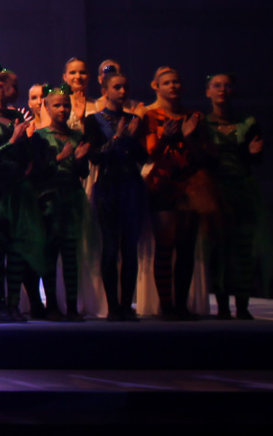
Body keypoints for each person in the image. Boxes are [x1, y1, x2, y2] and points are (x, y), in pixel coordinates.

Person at [142, 67, 214, 320]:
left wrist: (190, 138)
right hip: (163, 185)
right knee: (165, 247)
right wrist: (169, 137)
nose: (172, 86)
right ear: (156, 86)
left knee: (186, 249)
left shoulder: (194, 116)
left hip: (190, 185)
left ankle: (181, 305)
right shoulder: (151, 115)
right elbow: (150, 152)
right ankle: (167, 306)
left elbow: (205, 155)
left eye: (176, 82)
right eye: (167, 83)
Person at [0, 65, 43, 321]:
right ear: (0, 87)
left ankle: (14, 303)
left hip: (18, 190)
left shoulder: (17, 116)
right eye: (14, 85)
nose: (17, 90)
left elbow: (26, 157)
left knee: (17, 249)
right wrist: (13, 140)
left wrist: (26, 138)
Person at [85, 71, 148, 321]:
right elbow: (95, 157)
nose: (123, 92)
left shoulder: (134, 120)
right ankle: (113, 306)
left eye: (125, 87)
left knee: (129, 249)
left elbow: (143, 158)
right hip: (108, 187)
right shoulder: (93, 120)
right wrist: (117, 138)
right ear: (105, 91)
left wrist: (130, 139)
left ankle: (126, 305)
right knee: (111, 248)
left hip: (131, 187)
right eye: (117, 87)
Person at [203, 74, 264, 319]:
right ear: (208, 92)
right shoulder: (203, 124)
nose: (222, 90)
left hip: (243, 190)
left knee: (244, 248)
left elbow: (257, 159)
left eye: (227, 85)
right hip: (215, 192)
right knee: (218, 249)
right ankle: (222, 306)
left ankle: (242, 305)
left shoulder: (248, 122)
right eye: (216, 86)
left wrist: (253, 153)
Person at [28, 82, 90, 320]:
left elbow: (83, 172)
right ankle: (52, 304)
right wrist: (60, 158)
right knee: (50, 255)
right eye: (57, 106)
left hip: (72, 200)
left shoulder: (77, 135)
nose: (63, 110)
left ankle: (72, 307)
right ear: (46, 106)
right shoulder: (40, 136)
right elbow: (36, 172)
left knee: (71, 255)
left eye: (66, 106)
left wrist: (80, 160)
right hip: (48, 201)